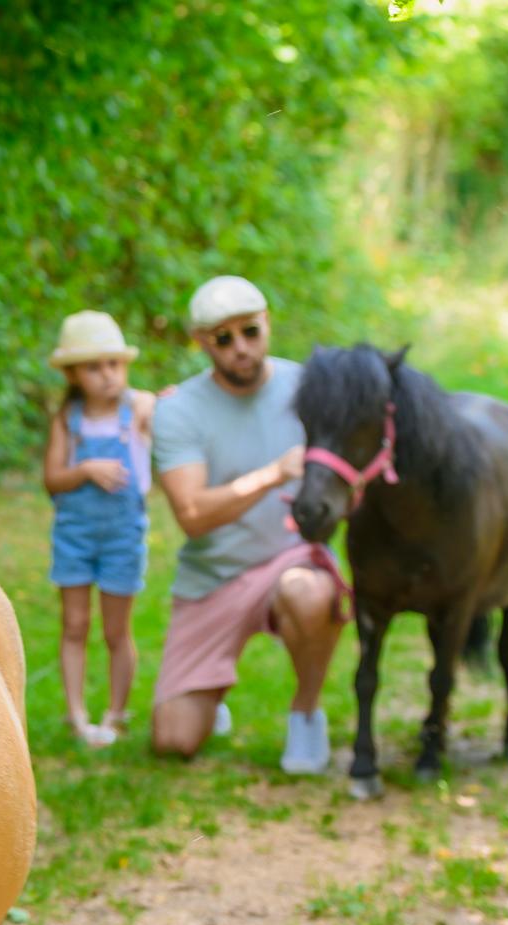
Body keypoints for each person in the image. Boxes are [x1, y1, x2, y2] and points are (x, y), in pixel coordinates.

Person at [150, 276, 346, 770]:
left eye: (250, 331)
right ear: (201, 343)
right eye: (223, 338)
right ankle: (207, 697)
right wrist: (272, 475)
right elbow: (192, 516)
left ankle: (305, 715)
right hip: (213, 575)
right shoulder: (178, 410)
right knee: (173, 741)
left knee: (308, 590)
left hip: (291, 557)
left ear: (267, 325)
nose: (240, 347)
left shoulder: (308, 388)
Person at [42, 311, 155, 747]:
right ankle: (77, 716)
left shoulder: (140, 411)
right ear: (73, 373)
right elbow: (53, 481)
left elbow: (170, 410)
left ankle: (115, 713)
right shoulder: (66, 421)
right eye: (94, 366)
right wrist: (85, 469)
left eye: (114, 364)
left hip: (123, 537)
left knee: (115, 630)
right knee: (74, 625)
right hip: (74, 537)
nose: (108, 375)